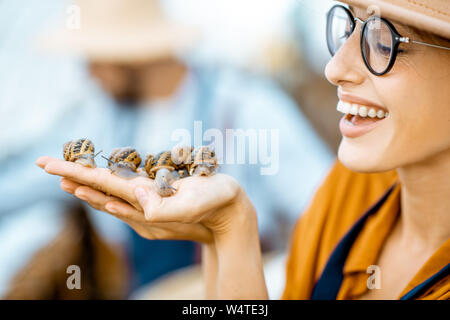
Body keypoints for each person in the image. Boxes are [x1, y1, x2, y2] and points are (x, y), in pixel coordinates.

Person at [36, 0, 450, 299]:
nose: (334, 68)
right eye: (349, 27)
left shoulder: (246, 108)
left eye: (383, 40)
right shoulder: (347, 194)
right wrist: (226, 232)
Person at [1, 0, 332, 294]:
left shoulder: (245, 109)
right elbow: (24, 180)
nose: (87, 72)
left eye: (93, 56)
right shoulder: (101, 120)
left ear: (128, 53)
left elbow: (326, 206)